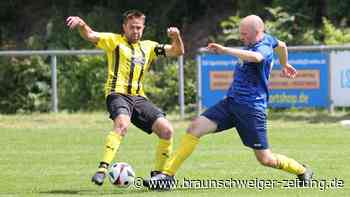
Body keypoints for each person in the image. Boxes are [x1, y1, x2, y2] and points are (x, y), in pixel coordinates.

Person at [144, 15, 313, 189]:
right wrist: (285, 64)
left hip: (251, 109)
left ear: (258, 32)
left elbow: (256, 57)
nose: (241, 37)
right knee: (194, 128)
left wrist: (225, 50)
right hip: (231, 103)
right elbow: (283, 45)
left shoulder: (263, 47)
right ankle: (167, 176)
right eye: (241, 33)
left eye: (245, 34)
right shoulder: (269, 39)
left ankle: (301, 170)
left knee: (265, 159)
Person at [66, 10, 184, 186]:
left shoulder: (149, 47)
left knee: (167, 130)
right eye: (132, 27)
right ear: (124, 27)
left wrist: (176, 36)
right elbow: (90, 35)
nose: (135, 31)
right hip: (117, 94)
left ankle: (159, 177)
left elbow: (177, 51)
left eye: (139, 28)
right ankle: (102, 169)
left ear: (143, 28)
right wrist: (82, 24)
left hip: (138, 97)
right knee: (122, 125)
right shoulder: (114, 41)